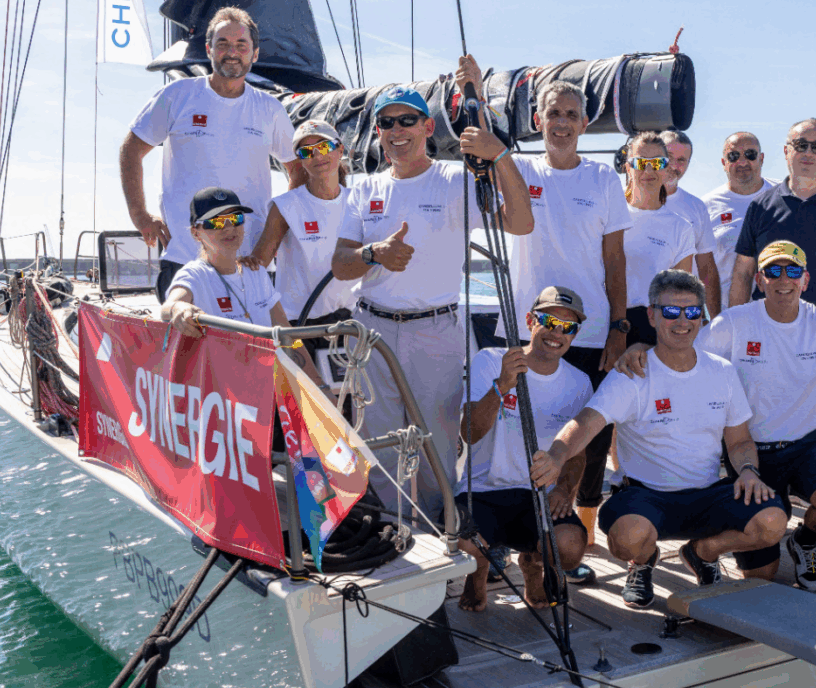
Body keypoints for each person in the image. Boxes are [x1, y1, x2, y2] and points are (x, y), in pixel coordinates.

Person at [616, 241, 816, 591]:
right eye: (773, 271)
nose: (783, 279)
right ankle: (702, 551)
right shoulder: (735, 322)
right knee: (761, 577)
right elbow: (681, 349)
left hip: (806, 445)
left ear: (805, 280)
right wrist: (640, 348)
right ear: (759, 280)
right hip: (749, 450)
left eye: (793, 270)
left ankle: (804, 541)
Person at [330, 57, 534, 521]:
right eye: (386, 122)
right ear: (377, 132)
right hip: (372, 331)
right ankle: (393, 534)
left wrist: (500, 155)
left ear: (427, 127)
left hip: (435, 331)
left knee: (435, 443)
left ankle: (442, 535)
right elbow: (341, 265)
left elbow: (521, 223)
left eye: (407, 120)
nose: (396, 130)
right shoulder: (362, 189)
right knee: (378, 443)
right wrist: (374, 254)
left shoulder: (456, 180)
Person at [530, 270, 787, 609]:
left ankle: (702, 552)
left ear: (702, 317)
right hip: (646, 497)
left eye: (691, 312)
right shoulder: (631, 373)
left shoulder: (722, 371)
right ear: (651, 316)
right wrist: (556, 455)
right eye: (670, 311)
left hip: (707, 493)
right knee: (627, 538)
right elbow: (586, 424)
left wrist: (750, 471)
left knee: (774, 521)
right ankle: (643, 561)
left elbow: (739, 442)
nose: (682, 321)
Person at [499, 79, 631, 555]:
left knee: (587, 438)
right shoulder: (516, 169)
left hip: (588, 330)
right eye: (554, 113)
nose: (562, 123)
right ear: (538, 120)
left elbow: (615, 259)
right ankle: (509, 529)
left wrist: (618, 327)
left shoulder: (603, 180)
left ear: (584, 124)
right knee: (514, 427)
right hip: (525, 325)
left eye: (572, 115)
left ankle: (576, 531)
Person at [121, 6, 303, 302]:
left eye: (241, 45)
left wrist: (270, 238)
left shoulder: (270, 109)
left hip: (249, 262)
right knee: (185, 333)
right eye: (223, 44)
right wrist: (139, 214)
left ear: (255, 54)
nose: (232, 52)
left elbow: (298, 170)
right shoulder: (177, 96)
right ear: (208, 50)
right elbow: (131, 149)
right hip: (185, 258)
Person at [728, 118, 816, 448]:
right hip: (766, 340)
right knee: (760, 430)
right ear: (786, 151)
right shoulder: (761, 206)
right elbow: (743, 274)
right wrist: (735, 332)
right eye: (801, 145)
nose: (808, 153)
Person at [455, 286, 594, 612]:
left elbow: (578, 454)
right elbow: (469, 433)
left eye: (568, 327)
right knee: (463, 544)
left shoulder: (580, 383)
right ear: (531, 321)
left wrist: (565, 489)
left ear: (574, 334)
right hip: (483, 491)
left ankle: (533, 565)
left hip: (540, 496)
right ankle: (477, 573)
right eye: (549, 321)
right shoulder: (490, 360)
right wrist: (502, 385)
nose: (557, 333)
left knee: (570, 548)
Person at [161, 186, 321, 385]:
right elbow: (169, 306)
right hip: (223, 394)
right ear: (196, 233)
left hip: (266, 387)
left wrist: (319, 384)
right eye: (217, 222)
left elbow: (286, 334)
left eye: (236, 219)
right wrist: (178, 308)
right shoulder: (195, 274)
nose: (229, 228)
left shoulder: (256, 272)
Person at [244, 120, 355, 327]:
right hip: (300, 325)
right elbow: (258, 264)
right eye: (307, 152)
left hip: (352, 322)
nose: (317, 156)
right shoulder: (284, 206)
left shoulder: (359, 202)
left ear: (340, 150)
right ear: (300, 160)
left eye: (324, 147)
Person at [620, 132, 695, 346]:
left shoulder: (681, 228)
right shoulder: (609, 215)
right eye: (640, 162)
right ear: (628, 167)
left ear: (666, 168)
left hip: (651, 330)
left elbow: (680, 295)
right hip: (605, 324)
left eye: (657, 163)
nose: (648, 170)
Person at [701, 132, 775, 311]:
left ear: (761, 158)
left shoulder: (783, 196)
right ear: (724, 162)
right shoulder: (705, 207)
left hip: (779, 315)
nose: (742, 162)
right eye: (733, 156)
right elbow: (700, 271)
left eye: (750, 155)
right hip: (727, 315)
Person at [659, 130, 722, 315]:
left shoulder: (696, 207)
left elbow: (706, 268)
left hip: (682, 313)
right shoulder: (627, 201)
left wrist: (715, 319)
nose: (674, 165)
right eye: (669, 157)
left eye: (681, 160)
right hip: (637, 310)